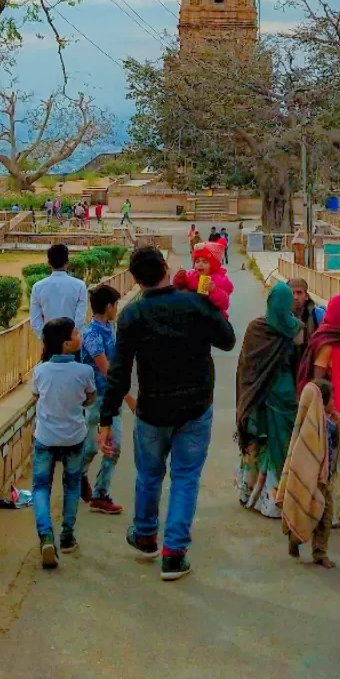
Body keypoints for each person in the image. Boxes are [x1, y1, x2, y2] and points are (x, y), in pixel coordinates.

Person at [97, 246, 235, 581]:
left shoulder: (132, 315)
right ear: (165, 267)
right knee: (185, 479)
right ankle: (174, 554)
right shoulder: (194, 303)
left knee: (149, 475)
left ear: (135, 278)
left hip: (152, 408)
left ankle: (145, 537)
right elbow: (228, 340)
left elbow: (118, 371)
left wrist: (106, 419)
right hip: (194, 407)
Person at [297, 292, 340, 525]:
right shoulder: (325, 342)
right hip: (335, 413)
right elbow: (318, 382)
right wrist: (328, 411)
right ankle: (333, 513)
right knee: (333, 465)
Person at [30, 317, 96, 569]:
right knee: (71, 486)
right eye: (76, 333)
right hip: (74, 437)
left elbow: (36, 396)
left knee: (40, 487)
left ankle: (46, 536)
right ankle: (67, 537)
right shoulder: (84, 371)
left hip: (45, 437)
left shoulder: (40, 371)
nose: (80, 336)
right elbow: (90, 399)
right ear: (67, 344)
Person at [235, 281, 301, 517]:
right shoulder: (295, 330)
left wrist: (247, 393)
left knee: (262, 444)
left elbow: (246, 366)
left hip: (259, 395)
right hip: (283, 394)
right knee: (281, 446)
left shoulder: (257, 327)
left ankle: (255, 494)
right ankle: (275, 500)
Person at [80, 283, 136, 515]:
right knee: (104, 446)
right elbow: (106, 370)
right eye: (115, 305)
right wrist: (129, 398)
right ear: (108, 307)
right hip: (100, 398)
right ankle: (93, 488)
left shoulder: (108, 329)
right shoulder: (92, 334)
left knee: (102, 445)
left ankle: (86, 481)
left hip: (108, 397)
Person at [278, 377, 338, 567]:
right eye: (332, 399)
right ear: (322, 402)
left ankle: (320, 553)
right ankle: (294, 538)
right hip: (310, 480)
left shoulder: (326, 424)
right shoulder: (310, 429)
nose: (335, 403)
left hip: (323, 480)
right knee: (305, 513)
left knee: (325, 517)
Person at [29, 242, 87, 336]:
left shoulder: (38, 287)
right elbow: (80, 318)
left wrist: (46, 338)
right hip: (72, 342)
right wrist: (70, 337)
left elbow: (35, 321)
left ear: (49, 263)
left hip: (50, 342)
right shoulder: (79, 286)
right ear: (67, 262)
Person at [173, 239, 234, 316]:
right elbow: (178, 286)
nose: (200, 264)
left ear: (213, 265)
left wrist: (214, 291)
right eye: (197, 261)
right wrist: (179, 278)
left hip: (214, 317)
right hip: (195, 315)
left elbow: (225, 304)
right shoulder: (192, 275)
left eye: (205, 262)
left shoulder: (220, 280)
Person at [288, 276, 325, 355]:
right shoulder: (282, 315)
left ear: (306, 296)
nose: (296, 297)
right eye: (292, 293)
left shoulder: (318, 314)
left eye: (299, 293)